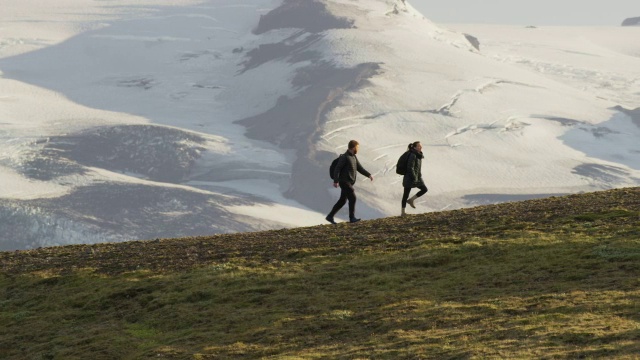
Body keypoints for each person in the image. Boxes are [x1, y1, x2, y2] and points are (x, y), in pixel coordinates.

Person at [326, 140, 373, 224]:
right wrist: (336, 181)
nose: (358, 149)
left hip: (349, 182)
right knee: (353, 197)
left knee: (342, 200)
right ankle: (352, 218)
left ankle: (330, 216)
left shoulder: (353, 157)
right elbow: (337, 168)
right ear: (353, 147)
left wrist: (368, 175)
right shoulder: (345, 157)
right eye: (357, 147)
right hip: (344, 182)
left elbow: (360, 168)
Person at [401, 141, 428, 216]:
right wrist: (414, 177)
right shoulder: (413, 155)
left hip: (416, 177)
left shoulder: (418, 155)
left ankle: (411, 200)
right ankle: (403, 212)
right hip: (409, 177)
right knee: (405, 194)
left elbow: (417, 168)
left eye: (421, 146)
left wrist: (418, 176)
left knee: (424, 189)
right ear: (415, 147)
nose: (420, 147)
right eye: (419, 146)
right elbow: (410, 167)